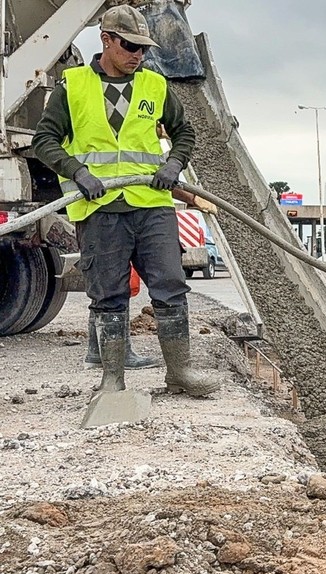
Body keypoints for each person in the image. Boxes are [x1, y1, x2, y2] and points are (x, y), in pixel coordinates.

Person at [33, 5, 219, 397]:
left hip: (151, 205)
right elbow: (44, 141)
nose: (138, 55)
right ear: (106, 40)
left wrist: (174, 164)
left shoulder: (154, 85)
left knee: (170, 284)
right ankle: (113, 380)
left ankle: (179, 373)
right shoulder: (73, 85)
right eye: (130, 46)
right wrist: (78, 173)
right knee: (109, 293)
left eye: (143, 49)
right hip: (101, 210)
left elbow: (184, 133)